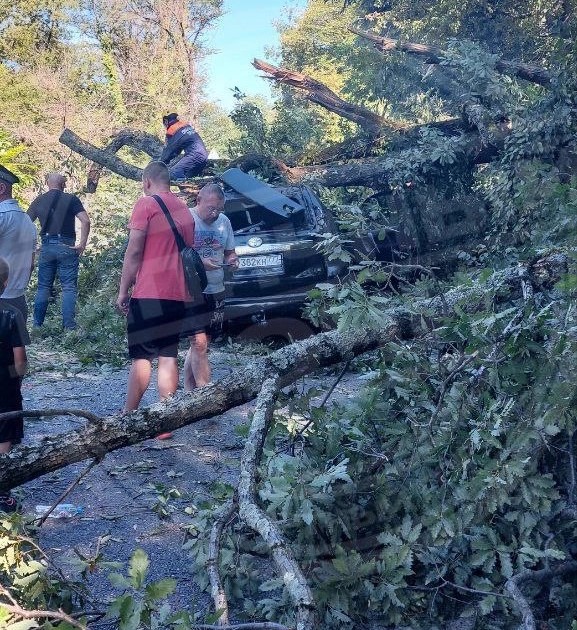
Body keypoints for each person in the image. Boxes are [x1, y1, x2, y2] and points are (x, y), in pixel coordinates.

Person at [116, 161, 195, 411]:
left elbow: (135, 250)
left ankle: (129, 416)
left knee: (142, 357)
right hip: (178, 293)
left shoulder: (146, 204)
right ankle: (164, 420)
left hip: (149, 291)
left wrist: (123, 290)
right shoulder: (184, 209)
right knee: (168, 355)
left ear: (147, 181)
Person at [183, 183, 238, 390]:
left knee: (203, 342)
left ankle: (189, 391)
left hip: (216, 288)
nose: (215, 213)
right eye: (211, 208)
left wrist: (233, 260)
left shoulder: (224, 222)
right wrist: (200, 262)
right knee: (198, 344)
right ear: (199, 201)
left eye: (219, 209)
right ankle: (205, 392)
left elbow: (229, 252)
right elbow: (176, 255)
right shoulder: (186, 219)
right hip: (193, 291)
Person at [27, 173, 91, 330]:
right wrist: (82, 244)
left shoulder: (39, 200)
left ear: (47, 183)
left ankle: (37, 326)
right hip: (67, 246)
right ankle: (69, 326)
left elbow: (26, 224)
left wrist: (34, 246)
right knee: (68, 287)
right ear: (64, 185)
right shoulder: (71, 199)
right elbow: (86, 220)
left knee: (43, 287)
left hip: (47, 246)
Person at [0, 257, 29, 513]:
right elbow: (20, 362)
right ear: (6, 282)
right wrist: (15, 377)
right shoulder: (12, 315)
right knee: (5, 431)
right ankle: (3, 486)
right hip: (4, 384)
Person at [0, 165, 37, 326]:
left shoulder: (2, 216)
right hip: (18, 300)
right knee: (14, 350)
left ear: (1, 188)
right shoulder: (27, 220)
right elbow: (31, 264)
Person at [160, 113, 208, 181]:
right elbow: (177, 151)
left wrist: (161, 163)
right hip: (203, 155)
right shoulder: (185, 127)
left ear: (166, 122)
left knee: (175, 172)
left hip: (195, 155)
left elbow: (169, 150)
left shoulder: (173, 130)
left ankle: (187, 191)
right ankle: (191, 191)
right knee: (188, 178)